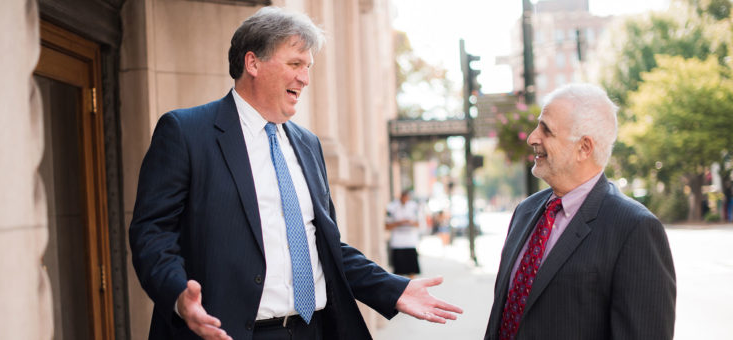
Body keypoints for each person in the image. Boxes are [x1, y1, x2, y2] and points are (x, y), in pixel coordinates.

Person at [129, 6, 462, 340]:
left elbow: (325, 247)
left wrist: (393, 290)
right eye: (295, 64)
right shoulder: (186, 132)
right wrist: (177, 295)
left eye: (308, 67)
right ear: (253, 63)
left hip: (313, 330)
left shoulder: (308, 144)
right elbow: (153, 233)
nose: (304, 78)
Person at [484, 84, 676, 340]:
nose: (532, 138)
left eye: (546, 130)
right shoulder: (525, 211)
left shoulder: (634, 228)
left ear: (584, 148)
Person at [385, 189, 421, 277]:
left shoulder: (414, 207)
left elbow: (419, 223)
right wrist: (399, 223)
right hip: (397, 242)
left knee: (412, 270)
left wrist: (410, 222)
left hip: (410, 242)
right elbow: (386, 226)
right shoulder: (392, 207)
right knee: (398, 271)